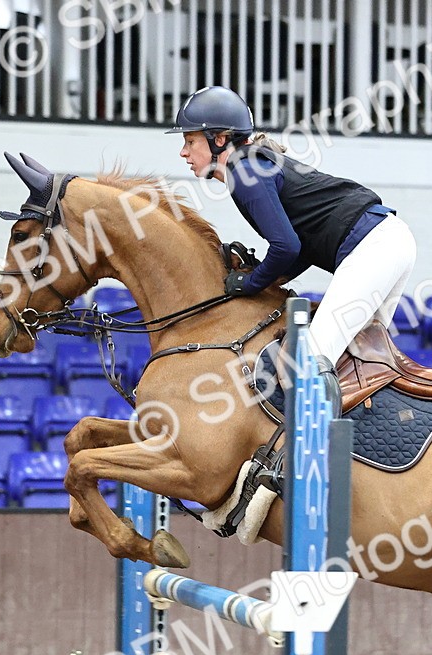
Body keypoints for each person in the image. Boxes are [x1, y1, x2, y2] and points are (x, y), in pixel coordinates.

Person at [167, 86, 417, 416]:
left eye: (190, 141)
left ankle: (316, 461)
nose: (184, 152)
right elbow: (301, 248)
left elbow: (287, 247)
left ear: (220, 139)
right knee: (358, 360)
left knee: (309, 360)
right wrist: (269, 279)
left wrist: (250, 283)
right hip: (388, 241)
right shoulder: (251, 165)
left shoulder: (245, 170)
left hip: (375, 247)